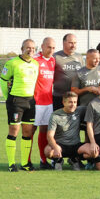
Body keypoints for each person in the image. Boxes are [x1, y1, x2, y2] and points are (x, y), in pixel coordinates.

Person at [1, 38, 40, 171]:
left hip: (30, 101)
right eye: (28, 47)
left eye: (33, 48)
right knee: (14, 131)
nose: (31, 50)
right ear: (22, 48)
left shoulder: (35, 64)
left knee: (28, 132)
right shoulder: (12, 63)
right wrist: (8, 98)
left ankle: (25, 164)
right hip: (16, 101)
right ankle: (12, 164)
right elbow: (3, 81)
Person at [44, 91, 91, 170]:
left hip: (75, 145)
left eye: (75, 102)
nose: (73, 105)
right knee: (48, 151)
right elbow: (49, 136)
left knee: (93, 152)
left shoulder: (79, 111)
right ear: (63, 102)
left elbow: (93, 107)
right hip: (60, 145)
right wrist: (55, 147)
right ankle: (58, 160)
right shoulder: (55, 115)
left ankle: (74, 159)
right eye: (70, 102)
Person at [32, 36, 57, 168]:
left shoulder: (53, 60)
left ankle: (43, 160)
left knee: (45, 131)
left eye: (53, 48)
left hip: (48, 103)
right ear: (42, 46)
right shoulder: (35, 60)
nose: (51, 50)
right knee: (30, 131)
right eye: (49, 47)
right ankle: (27, 160)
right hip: (35, 102)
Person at [52, 33, 82, 109]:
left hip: (75, 98)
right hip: (59, 97)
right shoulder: (55, 57)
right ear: (63, 43)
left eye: (75, 43)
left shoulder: (79, 57)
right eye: (70, 43)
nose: (73, 45)